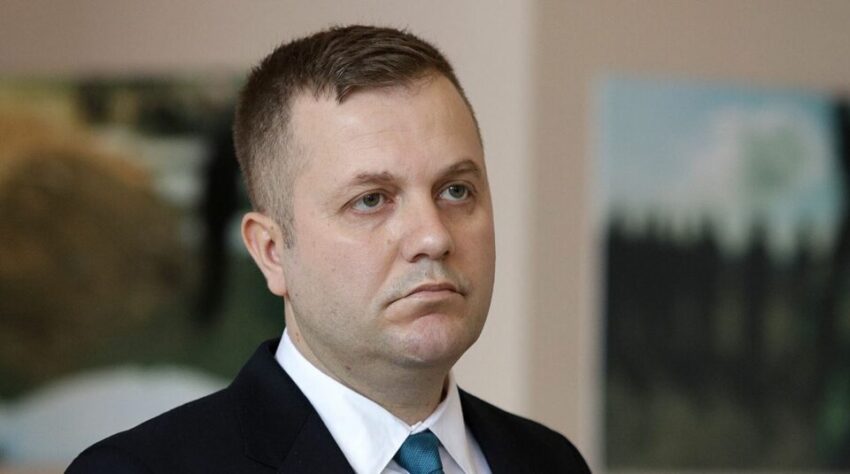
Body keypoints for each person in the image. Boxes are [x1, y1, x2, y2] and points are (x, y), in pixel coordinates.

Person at [67, 25, 590, 473]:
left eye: (456, 190)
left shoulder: (551, 462)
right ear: (271, 252)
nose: (433, 236)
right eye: (371, 200)